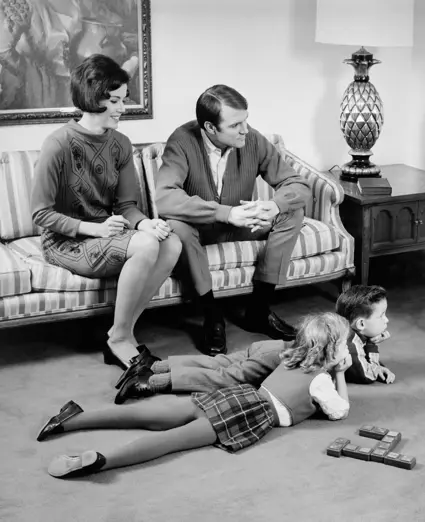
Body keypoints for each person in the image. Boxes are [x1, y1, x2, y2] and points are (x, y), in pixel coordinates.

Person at [37, 312, 352, 479]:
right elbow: (339, 411)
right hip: (244, 414)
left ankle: (73, 418)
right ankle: (104, 461)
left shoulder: (290, 355)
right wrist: (339, 373)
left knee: (157, 416)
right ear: (333, 351)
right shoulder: (321, 381)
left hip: (234, 396)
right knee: (171, 440)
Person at [30, 54, 182, 370]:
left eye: (123, 100)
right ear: (91, 98)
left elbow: (127, 206)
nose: (122, 108)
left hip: (111, 234)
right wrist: (95, 229)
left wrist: (145, 224)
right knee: (145, 244)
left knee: (171, 242)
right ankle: (119, 342)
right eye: (114, 101)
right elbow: (41, 214)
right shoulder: (57, 145)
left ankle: (120, 332)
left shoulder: (121, 144)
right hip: (66, 242)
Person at [154, 84, 311, 357]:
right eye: (236, 124)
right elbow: (165, 198)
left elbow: (296, 184)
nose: (245, 130)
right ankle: (211, 316)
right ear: (210, 128)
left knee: (291, 211)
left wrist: (274, 204)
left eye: (246, 120)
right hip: (201, 228)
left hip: (243, 226)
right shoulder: (181, 141)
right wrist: (225, 213)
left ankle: (259, 310)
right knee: (176, 226)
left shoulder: (252, 140)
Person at [113, 338, 286, 404]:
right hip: (281, 355)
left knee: (219, 363)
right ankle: (151, 382)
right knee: (226, 378)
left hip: (275, 345)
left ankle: (151, 366)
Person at [335, 285, 396, 385]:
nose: (387, 320)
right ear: (361, 324)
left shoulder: (349, 330)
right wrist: (372, 345)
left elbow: (362, 358)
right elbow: (368, 376)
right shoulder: (350, 343)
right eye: (381, 316)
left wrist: (379, 367)